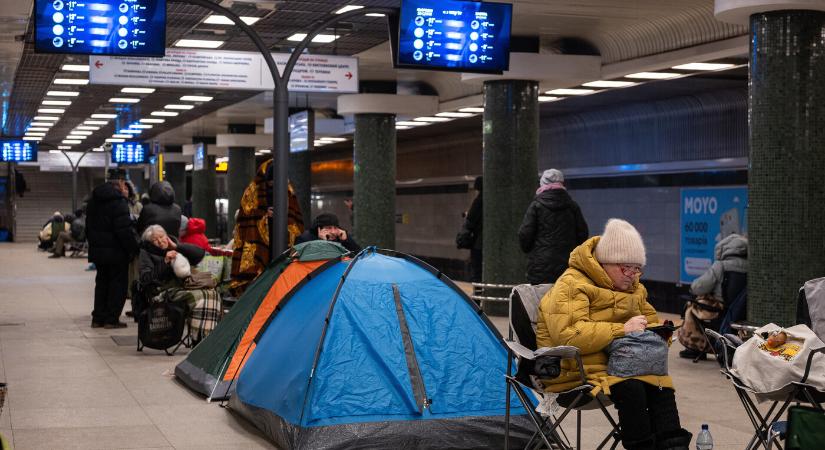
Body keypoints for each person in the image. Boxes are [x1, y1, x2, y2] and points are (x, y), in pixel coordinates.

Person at [536, 219, 691, 450]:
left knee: (660, 385)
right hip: (572, 369)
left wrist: (660, 334)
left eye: (637, 267)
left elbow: (648, 321)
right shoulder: (572, 284)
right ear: (605, 262)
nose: (632, 274)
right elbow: (568, 336)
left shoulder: (634, 288)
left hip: (619, 363)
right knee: (633, 388)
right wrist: (623, 329)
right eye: (625, 267)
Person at [229, 160, 304, 297]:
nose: (273, 186)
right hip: (258, 240)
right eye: (270, 183)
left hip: (282, 237)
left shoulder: (288, 191)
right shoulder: (252, 192)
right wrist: (263, 215)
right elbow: (246, 218)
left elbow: (294, 217)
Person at [679, 233, 748, 360]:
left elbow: (699, 287)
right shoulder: (750, 266)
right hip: (741, 311)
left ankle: (696, 347)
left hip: (720, 308)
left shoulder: (721, 265)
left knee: (692, 306)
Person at [85, 169, 139, 329]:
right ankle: (111, 319)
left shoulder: (93, 200)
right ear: (121, 182)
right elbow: (123, 230)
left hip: (98, 251)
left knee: (101, 283)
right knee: (117, 285)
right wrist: (133, 248)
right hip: (116, 253)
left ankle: (97, 318)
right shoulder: (118, 202)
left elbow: (88, 227)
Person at [518, 168, 589, 284]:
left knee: (541, 300)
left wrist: (532, 251)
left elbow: (524, 234)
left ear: (542, 184)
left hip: (540, 267)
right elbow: (583, 234)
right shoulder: (572, 206)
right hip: (567, 266)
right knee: (565, 299)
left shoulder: (536, 206)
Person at [138, 225, 205, 296]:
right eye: (155, 240)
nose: (160, 241)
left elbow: (200, 254)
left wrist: (177, 247)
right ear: (150, 243)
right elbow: (145, 279)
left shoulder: (174, 245)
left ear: (166, 236)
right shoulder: (146, 253)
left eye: (161, 237)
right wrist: (165, 262)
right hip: (161, 291)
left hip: (182, 287)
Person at [295, 213, 361, 252]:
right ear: (319, 228)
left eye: (335, 228)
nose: (333, 232)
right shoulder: (304, 239)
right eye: (328, 228)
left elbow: (358, 254)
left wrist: (347, 241)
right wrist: (322, 242)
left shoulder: (340, 235)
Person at [462, 176, 483, 282]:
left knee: (477, 272)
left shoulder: (479, 201)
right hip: (486, 244)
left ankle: (478, 297)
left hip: (478, 244)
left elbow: (470, 221)